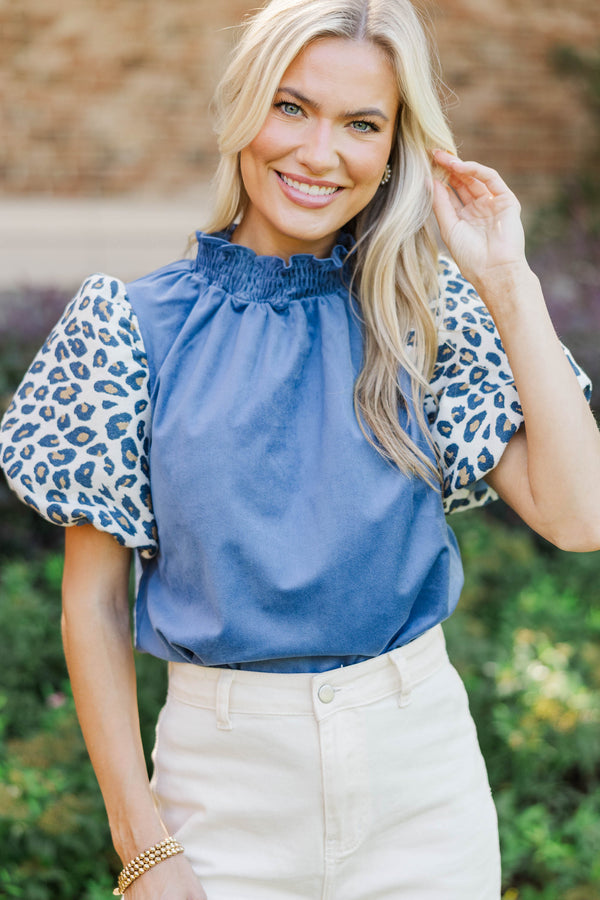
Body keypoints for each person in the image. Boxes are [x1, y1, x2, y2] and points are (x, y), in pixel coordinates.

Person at [1, 0, 600, 897]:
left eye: (361, 123)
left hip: (422, 794)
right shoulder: (129, 328)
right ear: (243, 110)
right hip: (220, 802)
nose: (320, 154)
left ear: (394, 149)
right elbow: (93, 604)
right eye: (292, 107)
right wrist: (143, 845)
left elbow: (580, 517)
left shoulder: (423, 316)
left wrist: (507, 278)